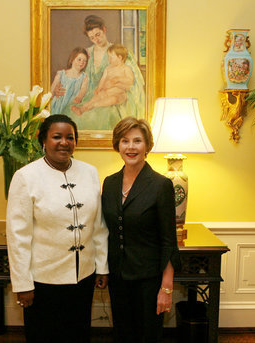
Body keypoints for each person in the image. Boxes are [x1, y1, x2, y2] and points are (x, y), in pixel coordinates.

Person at [5, 114, 109, 343]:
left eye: (70, 137)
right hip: (43, 281)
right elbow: (17, 236)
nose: (64, 142)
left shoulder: (90, 172)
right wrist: (22, 284)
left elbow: (98, 224)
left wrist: (101, 266)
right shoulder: (25, 177)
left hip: (83, 277)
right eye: (57, 137)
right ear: (43, 140)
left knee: (78, 335)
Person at [101, 117, 179, 342]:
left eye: (137, 141)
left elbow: (168, 241)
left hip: (149, 279)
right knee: (122, 334)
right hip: (118, 277)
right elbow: (106, 230)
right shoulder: (109, 183)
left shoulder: (160, 185)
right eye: (125, 141)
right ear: (118, 145)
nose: (131, 147)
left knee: (147, 336)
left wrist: (166, 288)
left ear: (147, 146)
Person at [55, 15, 145, 130]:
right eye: (92, 38)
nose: (96, 40)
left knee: (103, 115)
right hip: (89, 96)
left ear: (104, 29)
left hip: (112, 98)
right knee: (68, 111)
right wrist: (61, 86)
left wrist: (116, 84)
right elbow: (74, 74)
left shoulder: (118, 51)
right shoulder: (86, 53)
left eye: (98, 35)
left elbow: (133, 82)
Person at [72, 44, 134, 116]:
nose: (109, 59)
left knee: (113, 99)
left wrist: (118, 79)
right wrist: (99, 88)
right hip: (106, 91)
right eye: (108, 57)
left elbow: (130, 80)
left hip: (119, 93)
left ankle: (94, 105)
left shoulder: (125, 68)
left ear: (120, 58)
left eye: (111, 57)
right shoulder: (108, 68)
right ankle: (82, 109)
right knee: (95, 98)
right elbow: (103, 79)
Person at [50, 47, 89, 114]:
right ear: (72, 60)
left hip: (71, 105)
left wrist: (79, 97)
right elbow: (52, 89)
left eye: (84, 61)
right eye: (79, 59)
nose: (82, 62)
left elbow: (83, 89)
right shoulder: (61, 74)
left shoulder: (84, 77)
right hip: (58, 104)